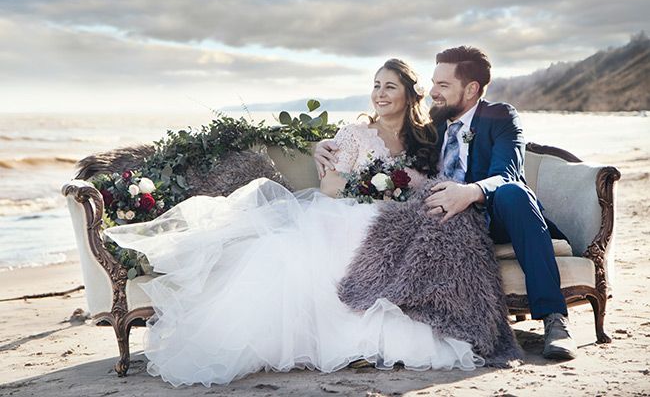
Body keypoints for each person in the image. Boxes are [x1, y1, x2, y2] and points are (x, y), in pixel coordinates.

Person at [104, 59, 485, 387]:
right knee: (348, 230)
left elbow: (434, 180)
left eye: (390, 86)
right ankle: (346, 341)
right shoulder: (354, 134)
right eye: (375, 86)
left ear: (408, 94)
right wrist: (371, 188)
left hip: (399, 215)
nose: (380, 94)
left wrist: (400, 193)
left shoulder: (426, 137)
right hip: (348, 207)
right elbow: (331, 187)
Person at [314, 46, 578, 360]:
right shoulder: (429, 126)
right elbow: (384, 144)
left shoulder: (500, 116)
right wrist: (321, 145)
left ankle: (555, 320)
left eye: (443, 85)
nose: (433, 92)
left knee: (514, 192)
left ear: (471, 89)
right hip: (443, 220)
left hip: (496, 215)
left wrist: (469, 193)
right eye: (433, 83)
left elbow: (507, 174)